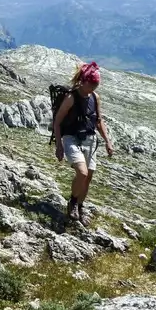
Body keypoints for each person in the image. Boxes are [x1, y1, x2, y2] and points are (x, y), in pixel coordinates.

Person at [53, 61, 114, 225]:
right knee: (82, 173)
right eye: (92, 85)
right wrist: (59, 145)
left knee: (88, 177)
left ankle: (80, 207)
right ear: (84, 81)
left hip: (89, 139)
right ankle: (72, 202)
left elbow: (98, 121)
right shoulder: (71, 98)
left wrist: (107, 141)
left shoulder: (95, 97)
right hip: (71, 138)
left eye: (96, 85)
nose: (94, 88)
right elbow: (57, 122)